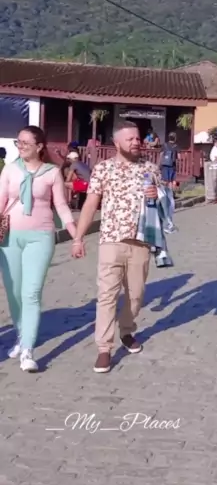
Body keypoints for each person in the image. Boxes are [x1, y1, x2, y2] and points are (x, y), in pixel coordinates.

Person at [72, 120, 160, 373]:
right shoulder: (103, 169)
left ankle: (127, 331)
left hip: (141, 241)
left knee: (136, 295)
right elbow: (91, 204)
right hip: (111, 239)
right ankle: (104, 348)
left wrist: (158, 195)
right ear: (117, 142)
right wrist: (78, 238)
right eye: (130, 139)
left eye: (137, 138)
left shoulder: (150, 169)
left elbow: (164, 205)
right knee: (107, 295)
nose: (136, 142)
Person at [0, 125, 76, 372]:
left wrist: (74, 232)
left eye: (25, 143)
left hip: (40, 237)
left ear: (39, 146)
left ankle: (28, 350)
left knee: (31, 293)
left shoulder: (51, 172)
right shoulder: (10, 170)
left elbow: (61, 205)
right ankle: (21, 335)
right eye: (18, 142)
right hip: (9, 238)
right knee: (14, 293)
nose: (20, 146)